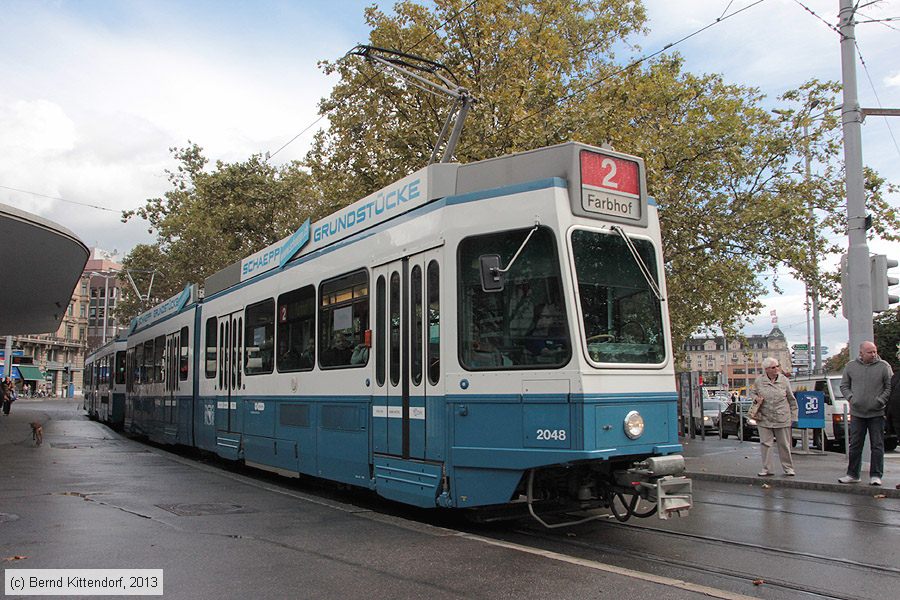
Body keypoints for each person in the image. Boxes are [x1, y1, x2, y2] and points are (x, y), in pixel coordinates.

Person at [838, 341, 892, 486]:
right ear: (861, 353)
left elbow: (889, 386)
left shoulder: (884, 366)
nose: (873, 354)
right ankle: (852, 474)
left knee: (877, 445)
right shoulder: (851, 366)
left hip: (877, 413)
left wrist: (880, 401)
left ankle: (876, 475)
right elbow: (844, 385)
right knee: (855, 445)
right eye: (870, 352)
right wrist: (851, 398)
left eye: (874, 351)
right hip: (857, 413)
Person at [751, 357, 799, 477]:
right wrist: (755, 398)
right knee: (766, 444)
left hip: (782, 417)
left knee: (784, 444)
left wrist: (794, 417)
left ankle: (788, 468)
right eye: (773, 367)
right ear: (766, 369)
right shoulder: (759, 381)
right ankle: (767, 468)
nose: (777, 369)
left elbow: (791, 399)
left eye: (777, 366)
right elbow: (753, 393)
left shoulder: (784, 380)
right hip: (764, 417)